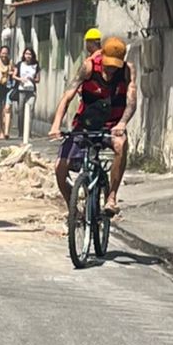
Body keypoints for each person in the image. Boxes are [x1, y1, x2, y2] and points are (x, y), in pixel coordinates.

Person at [50, 34, 135, 213]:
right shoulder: (88, 67)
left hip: (113, 125)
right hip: (85, 124)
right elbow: (68, 96)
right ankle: (73, 208)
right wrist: (56, 125)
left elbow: (131, 101)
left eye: (115, 65)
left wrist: (122, 123)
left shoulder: (127, 71)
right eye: (108, 64)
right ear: (102, 55)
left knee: (121, 145)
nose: (111, 70)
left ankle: (111, 197)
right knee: (60, 166)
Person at [10, 45, 41, 136]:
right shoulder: (20, 64)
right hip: (21, 90)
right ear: (24, 55)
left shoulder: (35, 65)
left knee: (30, 110)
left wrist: (32, 79)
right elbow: (14, 75)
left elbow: (38, 79)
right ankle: (21, 132)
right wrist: (20, 79)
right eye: (26, 54)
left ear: (32, 55)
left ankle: (28, 132)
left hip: (31, 91)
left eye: (30, 54)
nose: (28, 56)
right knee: (21, 111)